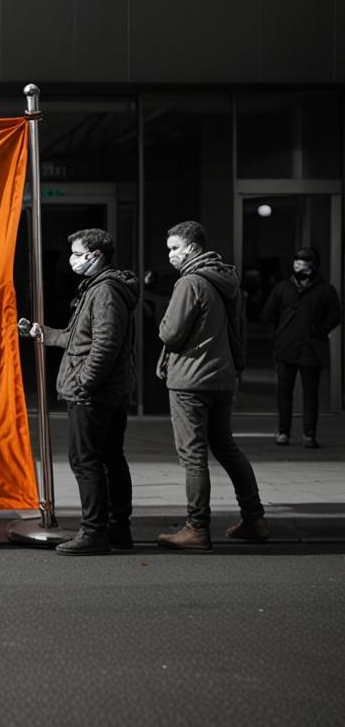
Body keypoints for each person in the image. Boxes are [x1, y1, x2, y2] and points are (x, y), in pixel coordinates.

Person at [20, 229, 138, 556]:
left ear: (95, 255)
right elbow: (78, 338)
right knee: (111, 458)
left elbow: (105, 344)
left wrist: (85, 382)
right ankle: (118, 529)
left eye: (77, 253)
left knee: (85, 460)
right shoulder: (100, 289)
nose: (72, 259)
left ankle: (94, 531)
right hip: (108, 389)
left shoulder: (105, 292)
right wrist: (41, 333)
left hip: (95, 393)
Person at [155, 221, 268, 550]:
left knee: (193, 456)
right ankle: (255, 518)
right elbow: (240, 331)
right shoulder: (227, 280)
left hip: (190, 378)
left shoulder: (190, 282)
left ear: (191, 247)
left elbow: (170, 333)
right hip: (221, 376)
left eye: (175, 248)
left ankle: (196, 528)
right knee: (226, 447)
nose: (171, 255)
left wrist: (163, 318)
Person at [261, 247, 341, 449]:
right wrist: (279, 334)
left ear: (313, 265)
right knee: (284, 393)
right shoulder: (282, 288)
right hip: (286, 347)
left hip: (311, 349)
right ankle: (283, 432)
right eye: (297, 261)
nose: (300, 265)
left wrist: (318, 331)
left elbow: (335, 316)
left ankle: (309, 434)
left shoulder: (325, 290)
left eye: (304, 262)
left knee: (310, 393)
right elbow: (268, 315)